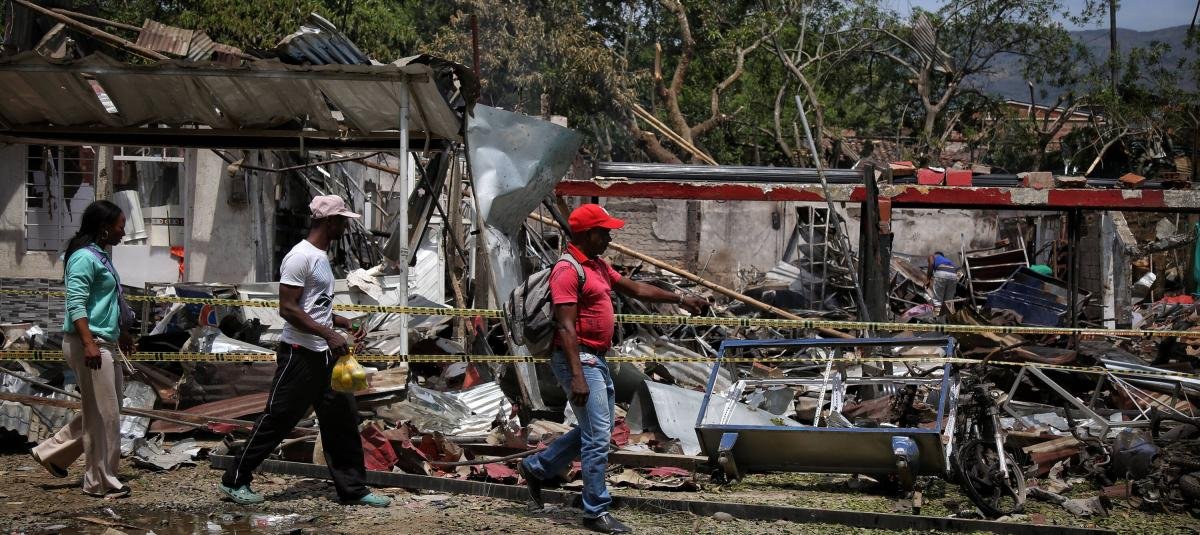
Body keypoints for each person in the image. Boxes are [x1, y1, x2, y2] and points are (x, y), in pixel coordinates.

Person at [519, 204, 708, 534]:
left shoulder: (597, 265)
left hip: (597, 358)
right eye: (604, 232)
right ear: (587, 234)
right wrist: (577, 376)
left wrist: (680, 299)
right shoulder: (567, 270)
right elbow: (565, 327)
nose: (609, 238)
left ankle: (538, 466)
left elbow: (636, 289)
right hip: (580, 361)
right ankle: (595, 511)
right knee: (596, 439)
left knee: (598, 431)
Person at [219, 195, 390, 508]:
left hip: (324, 356)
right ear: (329, 221)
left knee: (342, 422)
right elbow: (288, 308)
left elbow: (314, 306)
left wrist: (341, 323)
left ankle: (353, 490)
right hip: (300, 355)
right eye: (342, 220)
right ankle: (235, 478)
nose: (346, 226)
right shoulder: (300, 257)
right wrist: (328, 334)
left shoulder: (321, 257)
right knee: (277, 419)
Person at [31, 200, 136, 498]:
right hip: (90, 344)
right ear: (104, 227)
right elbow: (75, 303)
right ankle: (99, 481)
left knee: (105, 410)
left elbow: (108, 302)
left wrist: (122, 332)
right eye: (120, 226)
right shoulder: (82, 258)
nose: (123, 232)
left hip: (105, 341)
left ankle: (53, 453)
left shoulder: (100, 256)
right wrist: (89, 343)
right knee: (104, 415)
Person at [926, 251, 960, 317]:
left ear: (936, 254)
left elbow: (931, 265)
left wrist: (928, 280)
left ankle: (937, 317)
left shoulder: (932, 256)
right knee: (949, 301)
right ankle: (950, 318)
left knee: (937, 299)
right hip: (953, 275)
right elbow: (958, 271)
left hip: (941, 273)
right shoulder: (948, 261)